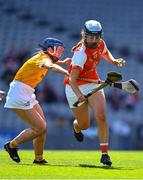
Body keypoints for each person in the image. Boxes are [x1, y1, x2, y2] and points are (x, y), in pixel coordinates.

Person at [64, 20, 125, 166]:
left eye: (96, 37)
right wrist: (79, 94)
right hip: (74, 87)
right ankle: (76, 127)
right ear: (84, 35)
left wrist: (114, 61)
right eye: (90, 37)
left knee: (101, 116)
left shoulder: (101, 43)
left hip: (93, 83)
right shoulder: (80, 54)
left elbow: (105, 52)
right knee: (84, 125)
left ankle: (104, 154)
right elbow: (72, 80)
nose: (94, 40)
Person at [4, 37, 70, 164]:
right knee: (40, 127)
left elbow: (50, 63)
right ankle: (11, 146)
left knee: (42, 127)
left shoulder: (43, 57)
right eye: (58, 50)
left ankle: (38, 158)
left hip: (28, 93)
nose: (60, 54)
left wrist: (62, 62)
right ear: (50, 50)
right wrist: (67, 73)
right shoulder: (43, 58)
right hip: (19, 93)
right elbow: (50, 66)